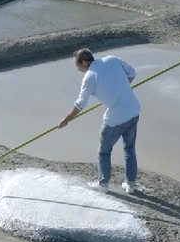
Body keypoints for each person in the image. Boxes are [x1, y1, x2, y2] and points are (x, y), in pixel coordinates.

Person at [57, 48, 143, 194]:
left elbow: (80, 104)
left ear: (84, 62)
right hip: (133, 110)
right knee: (129, 149)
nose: (77, 69)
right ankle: (131, 185)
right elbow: (132, 73)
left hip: (116, 118)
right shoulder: (112, 59)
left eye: (77, 65)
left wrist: (66, 119)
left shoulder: (90, 76)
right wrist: (119, 91)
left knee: (104, 152)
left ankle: (103, 184)